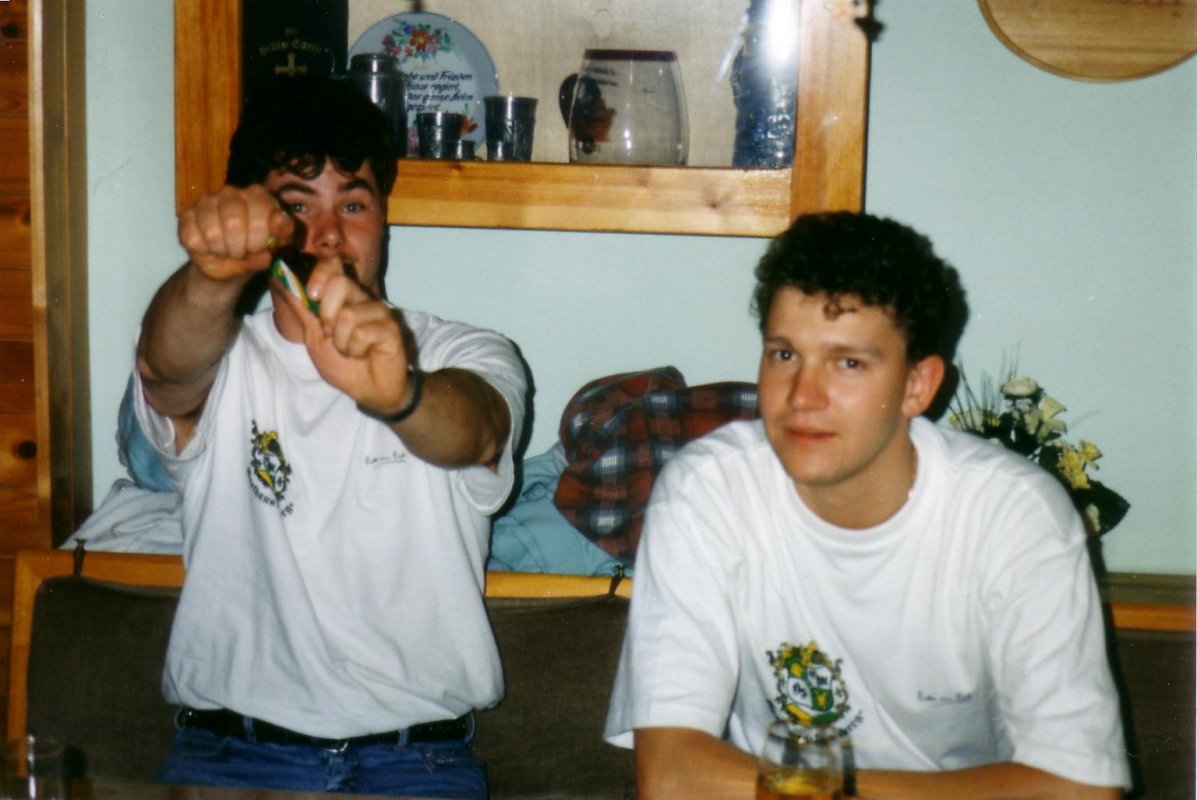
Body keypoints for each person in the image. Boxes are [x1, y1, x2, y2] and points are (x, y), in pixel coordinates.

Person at [604, 212, 1130, 799]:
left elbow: (1081, 790)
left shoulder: (1012, 514)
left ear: (917, 386)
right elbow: (671, 776)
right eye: (784, 355)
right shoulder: (709, 490)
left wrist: (814, 787)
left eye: (848, 363)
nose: (803, 397)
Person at [132, 76, 527, 797]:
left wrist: (400, 395)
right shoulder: (224, 353)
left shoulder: (466, 350)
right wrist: (212, 276)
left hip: (416, 764)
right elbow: (165, 373)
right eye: (296, 206)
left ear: (384, 219)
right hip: (229, 755)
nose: (327, 236)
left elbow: (474, 432)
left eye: (352, 204)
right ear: (259, 225)